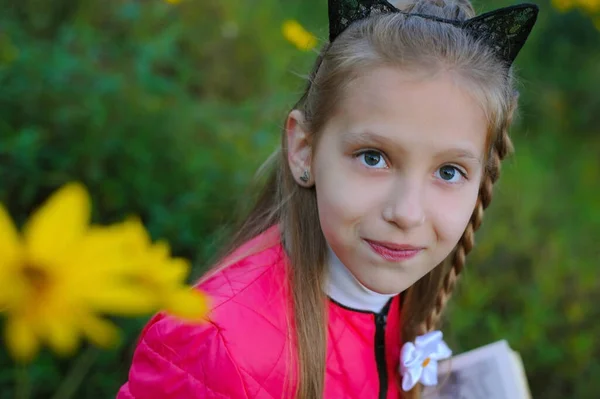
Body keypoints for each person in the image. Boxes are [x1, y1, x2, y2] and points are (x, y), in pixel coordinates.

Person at [117, 0, 538, 398]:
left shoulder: (401, 297)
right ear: (304, 149)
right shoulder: (216, 345)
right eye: (373, 158)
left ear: (482, 179)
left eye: (449, 172)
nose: (407, 213)